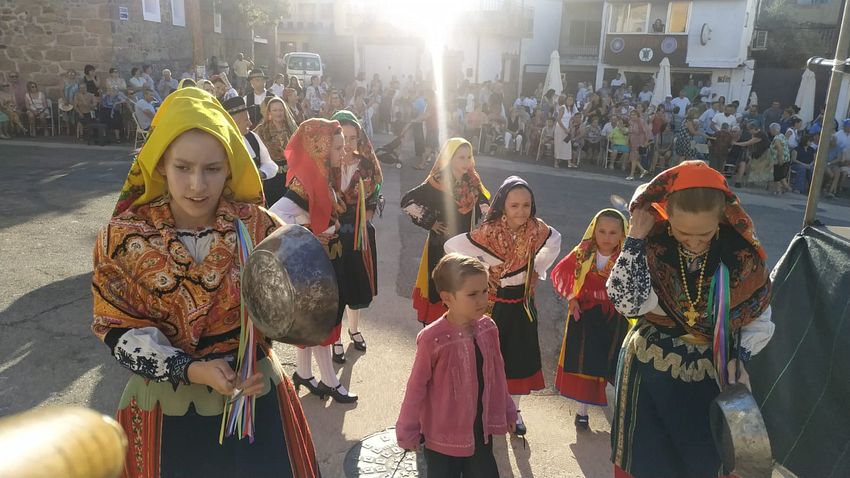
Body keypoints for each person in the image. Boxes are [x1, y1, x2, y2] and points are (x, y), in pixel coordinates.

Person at [91, 87, 320, 478]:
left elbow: (303, 314)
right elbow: (116, 330)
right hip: (167, 404)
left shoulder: (261, 227)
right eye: (183, 167)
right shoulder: (123, 237)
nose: (197, 185)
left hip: (254, 396)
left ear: (231, 167)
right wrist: (193, 370)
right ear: (161, 164)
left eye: (212, 169)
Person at [607, 161, 773, 478]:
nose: (694, 242)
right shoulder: (651, 246)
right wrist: (635, 237)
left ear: (722, 219)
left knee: (702, 462)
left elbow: (758, 315)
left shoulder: (741, 256)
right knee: (646, 462)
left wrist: (742, 356)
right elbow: (629, 303)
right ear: (667, 218)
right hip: (648, 369)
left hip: (711, 374)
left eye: (705, 234)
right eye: (683, 232)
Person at [444, 176, 561, 437]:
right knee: (486, 357)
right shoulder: (489, 231)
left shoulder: (537, 229)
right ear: (503, 205)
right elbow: (453, 246)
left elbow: (555, 241)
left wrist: (536, 270)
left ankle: (514, 411)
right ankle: (482, 409)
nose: (521, 211)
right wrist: (483, 269)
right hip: (493, 305)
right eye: (514, 205)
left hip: (522, 303)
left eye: (526, 205)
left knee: (518, 359)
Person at [396, 253, 517, 477]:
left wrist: (509, 411)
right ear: (447, 297)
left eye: (485, 290)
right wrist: (407, 428)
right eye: (472, 294)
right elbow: (416, 386)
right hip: (442, 437)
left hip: (480, 432)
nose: (483, 299)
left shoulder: (488, 328)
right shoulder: (432, 338)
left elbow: (497, 375)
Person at [269, 118, 358, 404]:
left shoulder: (323, 176)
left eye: (344, 146)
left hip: (324, 262)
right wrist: (305, 235)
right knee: (323, 321)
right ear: (320, 148)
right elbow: (273, 215)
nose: (343, 152)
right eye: (337, 146)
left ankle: (305, 374)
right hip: (316, 265)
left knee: (310, 321)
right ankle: (330, 381)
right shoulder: (304, 184)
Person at [551, 208, 630, 430]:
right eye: (602, 231)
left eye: (613, 232)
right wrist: (572, 298)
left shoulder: (626, 257)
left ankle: (617, 413)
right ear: (594, 231)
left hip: (615, 316)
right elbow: (561, 272)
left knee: (612, 363)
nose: (607, 237)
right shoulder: (583, 252)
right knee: (585, 362)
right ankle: (582, 411)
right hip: (587, 315)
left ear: (623, 233)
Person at [401, 138, 490, 325]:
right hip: (440, 244)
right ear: (450, 158)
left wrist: (487, 216)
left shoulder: (473, 181)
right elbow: (408, 202)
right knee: (442, 285)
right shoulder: (438, 181)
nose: (466, 162)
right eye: (461, 158)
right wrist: (431, 222)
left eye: (469, 157)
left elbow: (484, 201)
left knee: (462, 284)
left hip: (465, 243)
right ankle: (436, 331)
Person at [328, 110, 383, 363]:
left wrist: (366, 217)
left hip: (359, 233)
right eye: (343, 137)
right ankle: (335, 338)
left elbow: (375, 195)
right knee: (335, 287)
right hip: (333, 235)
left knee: (356, 284)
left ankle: (354, 330)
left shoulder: (366, 164)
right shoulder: (327, 166)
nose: (348, 144)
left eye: (353, 137)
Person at [222, 97, 278, 188]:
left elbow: (270, 164)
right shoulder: (221, 144)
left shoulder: (252, 137)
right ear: (233, 122)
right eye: (246, 120)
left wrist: (261, 173)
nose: (250, 123)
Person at [255, 96, 299, 206]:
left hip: (291, 174)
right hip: (271, 176)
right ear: (269, 112)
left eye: (280, 110)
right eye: (275, 110)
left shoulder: (292, 128)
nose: (278, 113)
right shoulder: (261, 130)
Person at [733, 122, 772, 187]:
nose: (748, 132)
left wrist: (735, 143)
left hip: (765, 156)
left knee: (746, 163)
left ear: (753, 129)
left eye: (749, 130)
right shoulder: (755, 134)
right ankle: (740, 181)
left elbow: (748, 143)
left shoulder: (760, 135)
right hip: (757, 154)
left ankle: (741, 181)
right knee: (744, 162)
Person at [555, 95, 579, 168]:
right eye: (569, 100)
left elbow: (570, 121)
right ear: (566, 100)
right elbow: (558, 119)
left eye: (571, 100)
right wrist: (565, 129)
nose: (570, 101)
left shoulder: (570, 109)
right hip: (560, 128)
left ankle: (569, 162)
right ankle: (556, 162)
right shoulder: (563, 107)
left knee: (567, 146)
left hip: (567, 129)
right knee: (558, 145)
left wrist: (569, 129)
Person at [626, 109, 651, 180]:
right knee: (633, 158)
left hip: (639, 142)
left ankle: (631, 175)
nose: (632, 116)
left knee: (634, 158)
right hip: (632, 142)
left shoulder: (641, 122)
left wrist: (646, 142)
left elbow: (647, 132)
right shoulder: (630, 122)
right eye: (631, 114)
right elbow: (630, 132)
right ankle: (643, 170)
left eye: (634, 114)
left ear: (637, 115)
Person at [769, 122, 791, 194]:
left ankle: (786, 187)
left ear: (774, 130)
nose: (770, 131)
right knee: (778, 175)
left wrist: (780, 159)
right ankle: (778, 190)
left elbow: (779, 148)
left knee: (779, 176)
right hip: (786, 159)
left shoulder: (777, 138)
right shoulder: (782, 135)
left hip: (780, 159)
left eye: (770, 130)